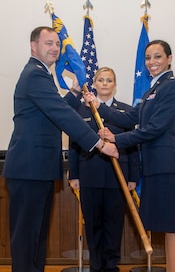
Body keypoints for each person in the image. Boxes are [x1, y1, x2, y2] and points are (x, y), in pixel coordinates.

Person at [2, 26, 118, 272]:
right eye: (48, 43)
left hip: (37, 168)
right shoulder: (35, 74)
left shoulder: (41, 74)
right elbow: (61, 114)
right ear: (34, 46)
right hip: (29, 167)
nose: (55, 48)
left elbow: (53, 109)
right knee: (27, 239)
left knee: (37, 236)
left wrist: (75, 91)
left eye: (57, 44)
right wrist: (99, 144)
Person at [85, 40, 175, 272]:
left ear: (169, 58)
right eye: (148, 58)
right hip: (153, 165)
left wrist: (116, 139)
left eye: (157, 57)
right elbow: (130, 117)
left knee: (173, 226)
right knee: (163, 224)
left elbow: (156, 128)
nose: (152, 62)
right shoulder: (152, 89)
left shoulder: (172, 86)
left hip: (166, 164)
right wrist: (98, 105)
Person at [68, 67, 140, 272]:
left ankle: (111, 266)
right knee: (93, 225)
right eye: (101, 80)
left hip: (118, 178)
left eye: (109, 80)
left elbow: (133, 146)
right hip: (89, 175)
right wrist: (74, 174)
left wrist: (133, 176)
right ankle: (95, 266)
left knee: (114, 225)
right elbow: (74, 144)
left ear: (115, 85)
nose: (105, 83)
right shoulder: (81, 111)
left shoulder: (125, 112)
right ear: (94, 84)